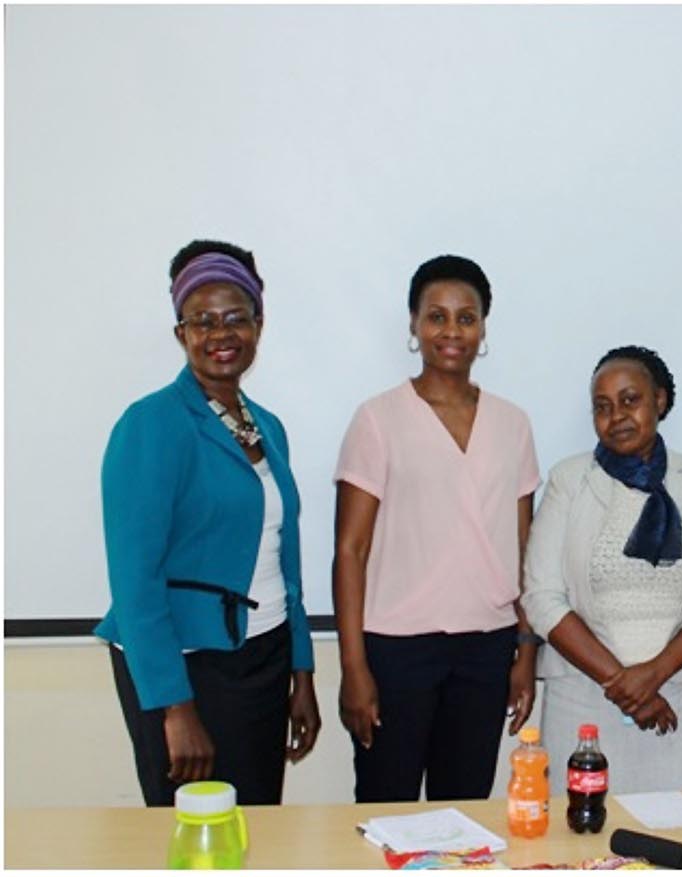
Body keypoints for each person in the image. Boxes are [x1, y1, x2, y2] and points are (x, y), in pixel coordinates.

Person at [97, 239, 320, 806]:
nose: (221, 334)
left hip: (263, 658)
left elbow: (282, 557)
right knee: (195, 838)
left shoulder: (266, 426)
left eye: (235, 318)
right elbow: (134, 582)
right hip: (187, 668)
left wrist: (301, 671)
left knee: (256, 826)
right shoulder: (150, 424)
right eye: (202, 321)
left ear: (258, 326)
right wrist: (176, 707)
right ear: (181, 334)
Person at [332, 254, 541, 802]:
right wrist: (353, 666)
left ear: (483, 328)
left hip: (486, 649)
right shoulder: (377, 419)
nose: (452, 331)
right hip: (395, 651)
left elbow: (526, 551)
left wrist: (526, 652)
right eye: (437, 316)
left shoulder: (513, 424)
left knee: (467, 812)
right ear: (413, 324)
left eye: (466, 318)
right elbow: (350, 551)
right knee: (387, 808)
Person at [521, 345, 682, 794]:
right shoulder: (569, 480)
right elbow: (541, 597)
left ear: (659, 401)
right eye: (601, 407)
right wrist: (622, 683)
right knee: (579, 844)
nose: (616, 416)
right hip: (582, 697)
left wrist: (652, 675)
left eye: (630, 400)